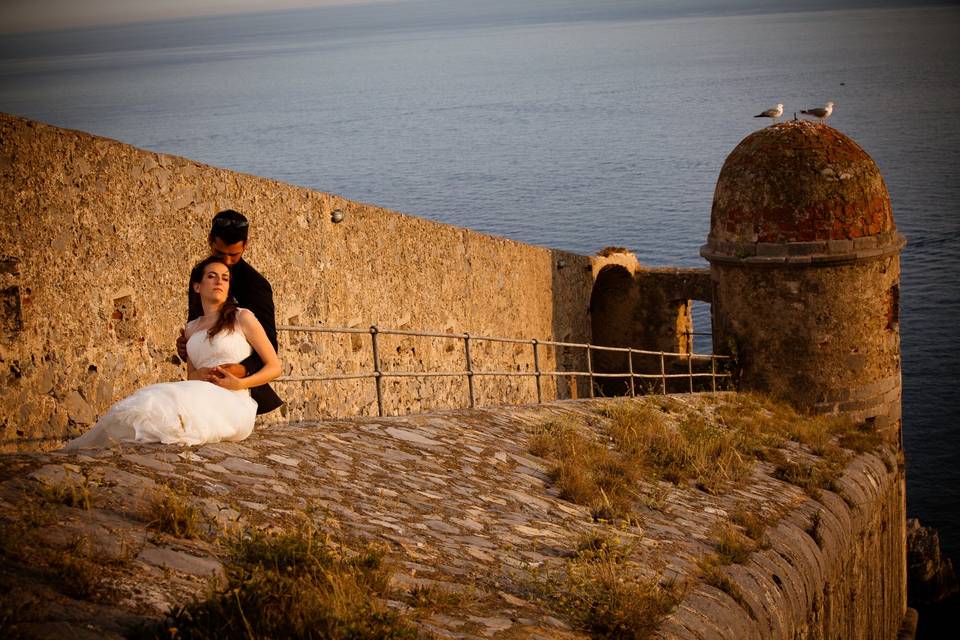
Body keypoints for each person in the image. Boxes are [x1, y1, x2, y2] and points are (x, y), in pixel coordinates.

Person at [63, 257, 281, 449]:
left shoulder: (242, 317)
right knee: (147, 401)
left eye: (225, 278)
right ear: (197, 286)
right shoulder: (191, 328)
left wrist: (241, 384)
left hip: (234, 401)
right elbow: (191, 377)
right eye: (212, 276)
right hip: (199, 391)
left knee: (164, 416)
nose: (219, 282)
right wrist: (203, 373)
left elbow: (274, 367)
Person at [177, 209, 283, 414]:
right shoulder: (198, 275)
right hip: (200, 384)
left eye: (234, 255)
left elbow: (270, 346)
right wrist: (188, 345)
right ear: (210, 241)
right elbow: (197, 320)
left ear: (245, 246)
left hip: (237, 388)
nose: (226, 261)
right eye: (219, 253)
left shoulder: (256, 286)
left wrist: (242, 371)